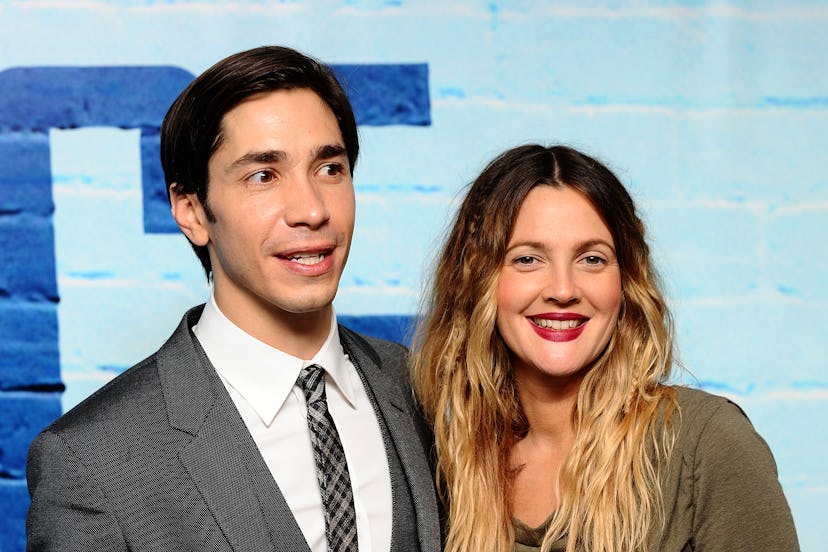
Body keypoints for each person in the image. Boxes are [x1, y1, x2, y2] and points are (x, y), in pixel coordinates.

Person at [26, 46, 440, 552]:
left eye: (329, 168)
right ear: (192, 211)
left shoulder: (423, 388)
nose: (311, 210)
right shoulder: (92, 460)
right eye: (263, 175)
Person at [411, 144, 799, 551]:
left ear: (626, 283)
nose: (563, 290)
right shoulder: (449, 468)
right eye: (527, 259)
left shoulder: (703, 445)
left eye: (592, 259)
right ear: (477, 281)